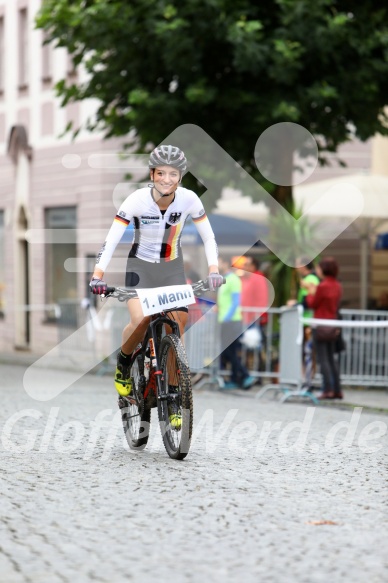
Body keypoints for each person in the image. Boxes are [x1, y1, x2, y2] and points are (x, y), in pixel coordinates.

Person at [89, 145, 223, 422]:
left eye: (173, 174)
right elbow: (112, 239)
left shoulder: (189, 200)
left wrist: (213, 269)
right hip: (140, 268)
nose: (166, 179)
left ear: (180, 177)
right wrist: (98, 274)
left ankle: (174, 396)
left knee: (179, 322)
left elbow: (209, 237)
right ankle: (124, 365)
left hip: (172, 267)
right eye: (161, 173)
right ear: (152, 174)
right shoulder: (136, 201)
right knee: (142, 319)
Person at [304, 257, 343, 400]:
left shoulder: (323, 286)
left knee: (323, 358)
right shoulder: (337, 285)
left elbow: (313, 304)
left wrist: (309, 292)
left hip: (320, 324)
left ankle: (327, 389)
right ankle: (337, 389)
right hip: (332, 323)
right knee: (331, 358)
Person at [217, 256, 256, 390]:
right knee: (230, 352)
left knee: (229, 352)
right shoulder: (226, 279)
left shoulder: (233, 279)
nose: (217, 264)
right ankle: (236, 379)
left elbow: (235, 301)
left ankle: (245, 375)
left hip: (231, 321)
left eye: (219, 261)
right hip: (227, 320)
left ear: (226, 263)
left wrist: (226, 317)